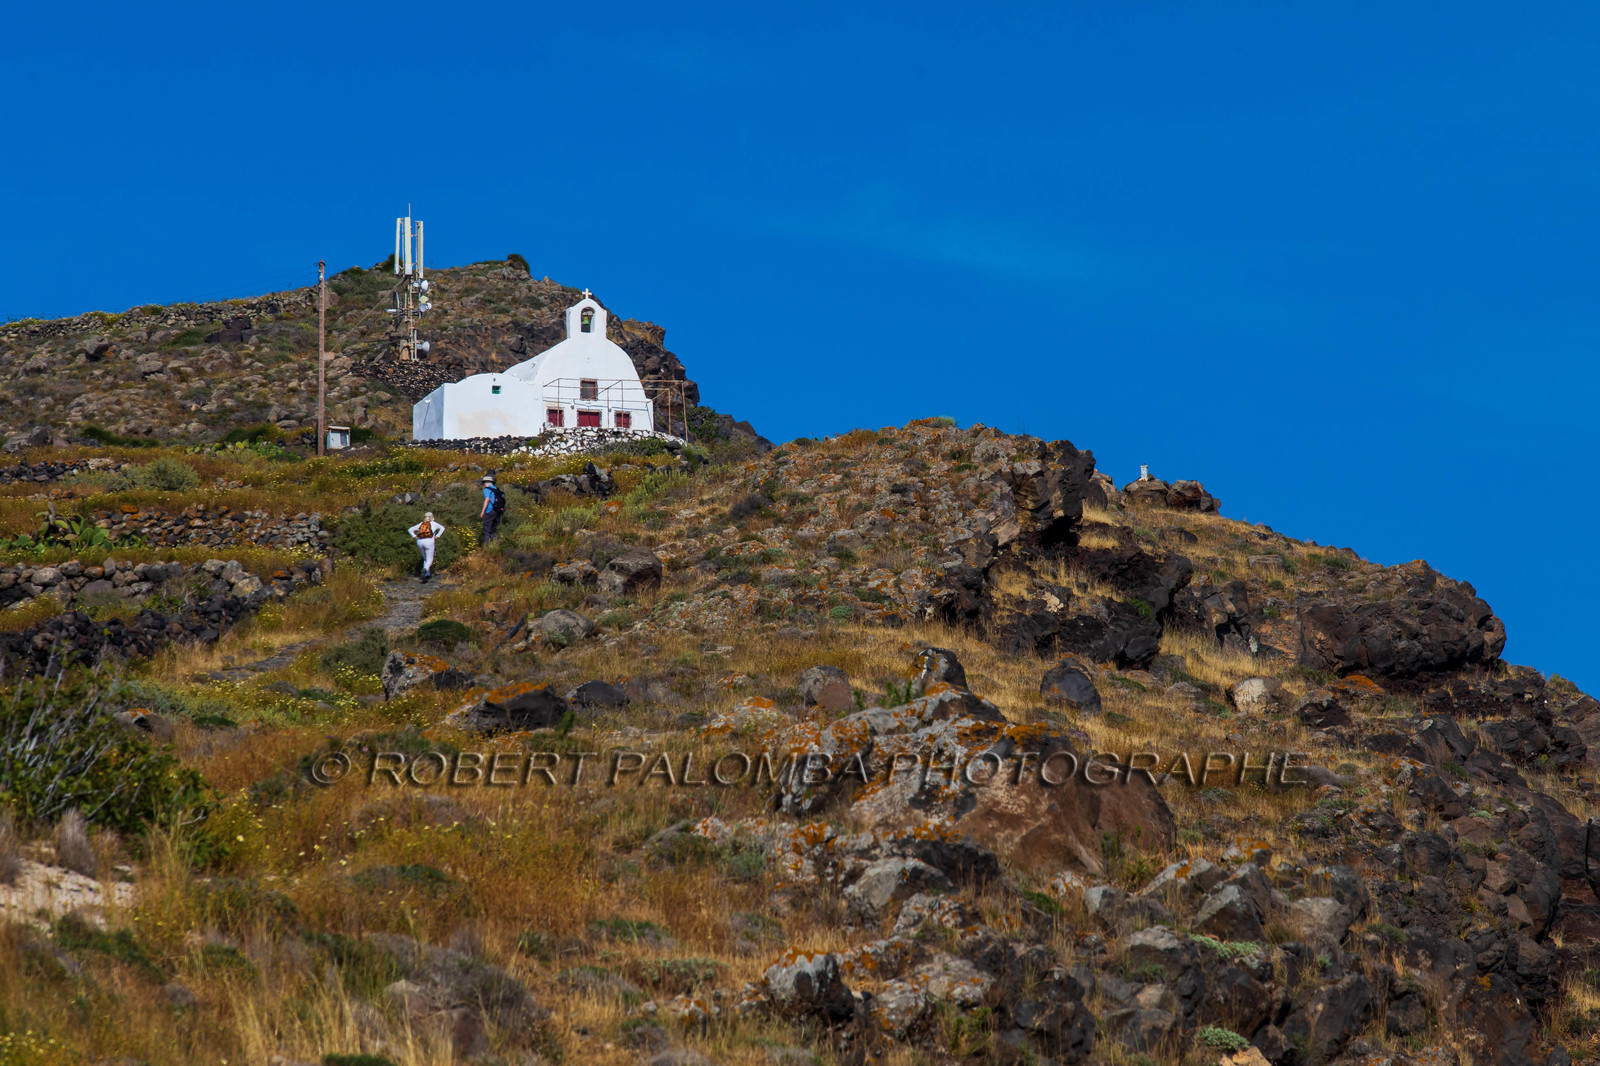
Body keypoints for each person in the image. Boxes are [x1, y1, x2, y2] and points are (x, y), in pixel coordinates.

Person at [408, 511, 443, 582]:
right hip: (429, 541)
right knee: (430, 559)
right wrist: (437, 536)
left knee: (425, 558)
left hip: (420, 541)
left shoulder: (421, 524)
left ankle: (427, 575)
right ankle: (425, 570)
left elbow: (410, 529)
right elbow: (442, 528)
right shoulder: (434, 524)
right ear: (432, 517)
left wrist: (415, 536)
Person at [480, 473, 506, 544]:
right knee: (493, 530)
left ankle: (486, 547)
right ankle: (496, 544)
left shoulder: (487, 490)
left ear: (487, 482)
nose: (483, 484)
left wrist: (482, 512)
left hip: (490, 511)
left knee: (486, 529)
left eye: (483, 483)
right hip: (498, 511)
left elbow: (487, 500)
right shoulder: (496, 489)